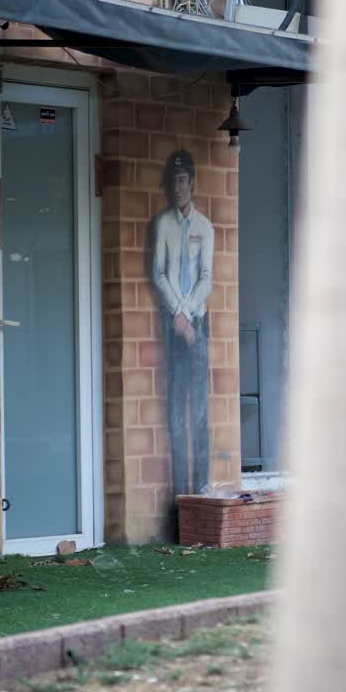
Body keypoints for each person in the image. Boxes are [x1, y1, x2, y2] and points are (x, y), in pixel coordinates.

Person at [151, 150, 215, 497]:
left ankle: (202, 489)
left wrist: (189, 315)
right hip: (172, 327)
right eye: (173, 181)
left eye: (182, 180)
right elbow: (159, 273)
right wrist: (177, 314)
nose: (177, 187)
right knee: (176, 414)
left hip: (197, 325)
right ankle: (181, 495)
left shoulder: (205, 227)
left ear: (192, 183)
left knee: (200, 412)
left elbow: (206, 277)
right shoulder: (164, 224)